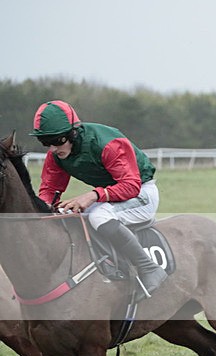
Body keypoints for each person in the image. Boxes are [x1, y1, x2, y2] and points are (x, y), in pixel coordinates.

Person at [29, 100, 167, 297]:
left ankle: (149, 268)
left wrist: (93, 195)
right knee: (67, 214)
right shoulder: (56, 155)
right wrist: (42, 212)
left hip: (141, 194)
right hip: (111, 198)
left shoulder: (108, 144)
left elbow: (131, 185)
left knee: (98, 216)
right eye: (45, 142)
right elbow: (50, 190)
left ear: (73, 133)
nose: (52, 149)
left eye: (57, 140)